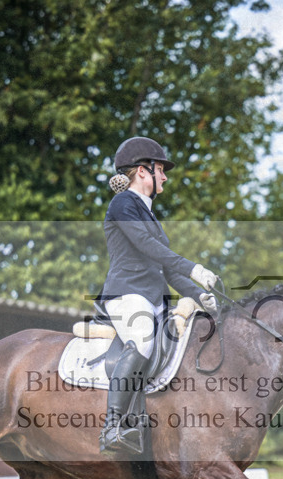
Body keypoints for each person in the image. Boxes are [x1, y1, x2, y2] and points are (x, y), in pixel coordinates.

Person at [97, 136, 219, 453]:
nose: (164, 176)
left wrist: (200, 295)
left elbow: (166, 267)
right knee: (142, 340)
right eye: (160, 170)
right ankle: (112, 428)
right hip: (128, 294)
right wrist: (194, 267)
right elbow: (148, 248)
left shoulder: (149, 214)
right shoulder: (123, 203)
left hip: (153, 297)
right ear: (142, 171)